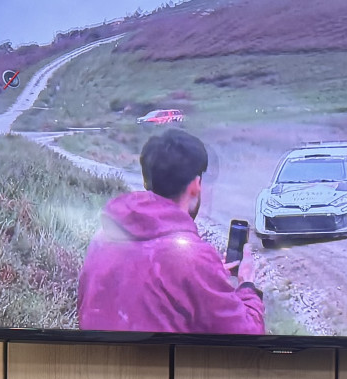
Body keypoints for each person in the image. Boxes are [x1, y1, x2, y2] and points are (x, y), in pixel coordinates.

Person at [77, 129, 264, 335]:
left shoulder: (103, 236)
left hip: (100, 354)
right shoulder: (193, 259)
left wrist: (209, 274)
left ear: (147, 181)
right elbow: (247, 336)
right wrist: (247, 285)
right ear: (195, 186)